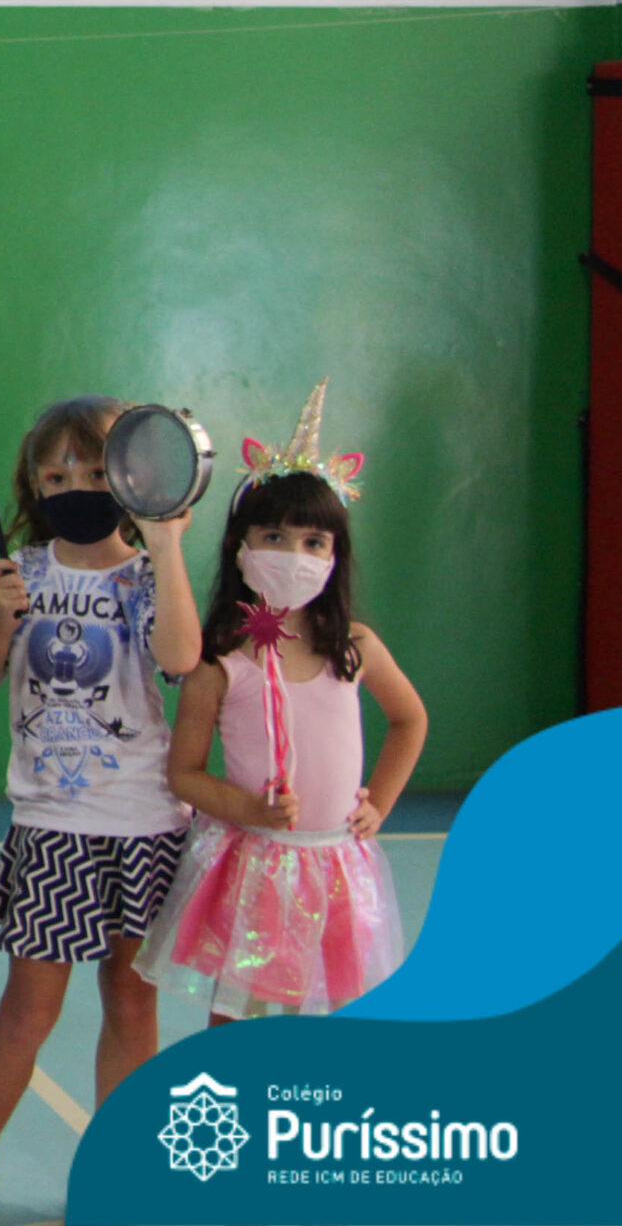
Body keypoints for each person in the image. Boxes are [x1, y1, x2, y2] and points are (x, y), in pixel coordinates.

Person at [0, 398, 201, 1226]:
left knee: (132, 1002)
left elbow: (182, 658)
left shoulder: (148, 573)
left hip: (146, 826)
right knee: (28, 1006)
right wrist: (4, 619)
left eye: (93, 470)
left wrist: (169, 548)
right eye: (55, 474)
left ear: (132, 478)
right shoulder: (24, 572)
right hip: (54, 829)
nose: (75, 486)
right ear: (34, 488)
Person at [136, 381, 428, 1021]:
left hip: (336, 867)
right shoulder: (220, 662)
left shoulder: (355, 646)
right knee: (239, 1020)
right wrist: (248, 809)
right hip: (257, 870)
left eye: (313, 542)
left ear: (335, 556)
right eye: (273, 536)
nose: (293, 555)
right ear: (240, 548)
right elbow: (184, 773)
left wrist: (379, 802)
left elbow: (409, 720)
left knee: (327, 1017)